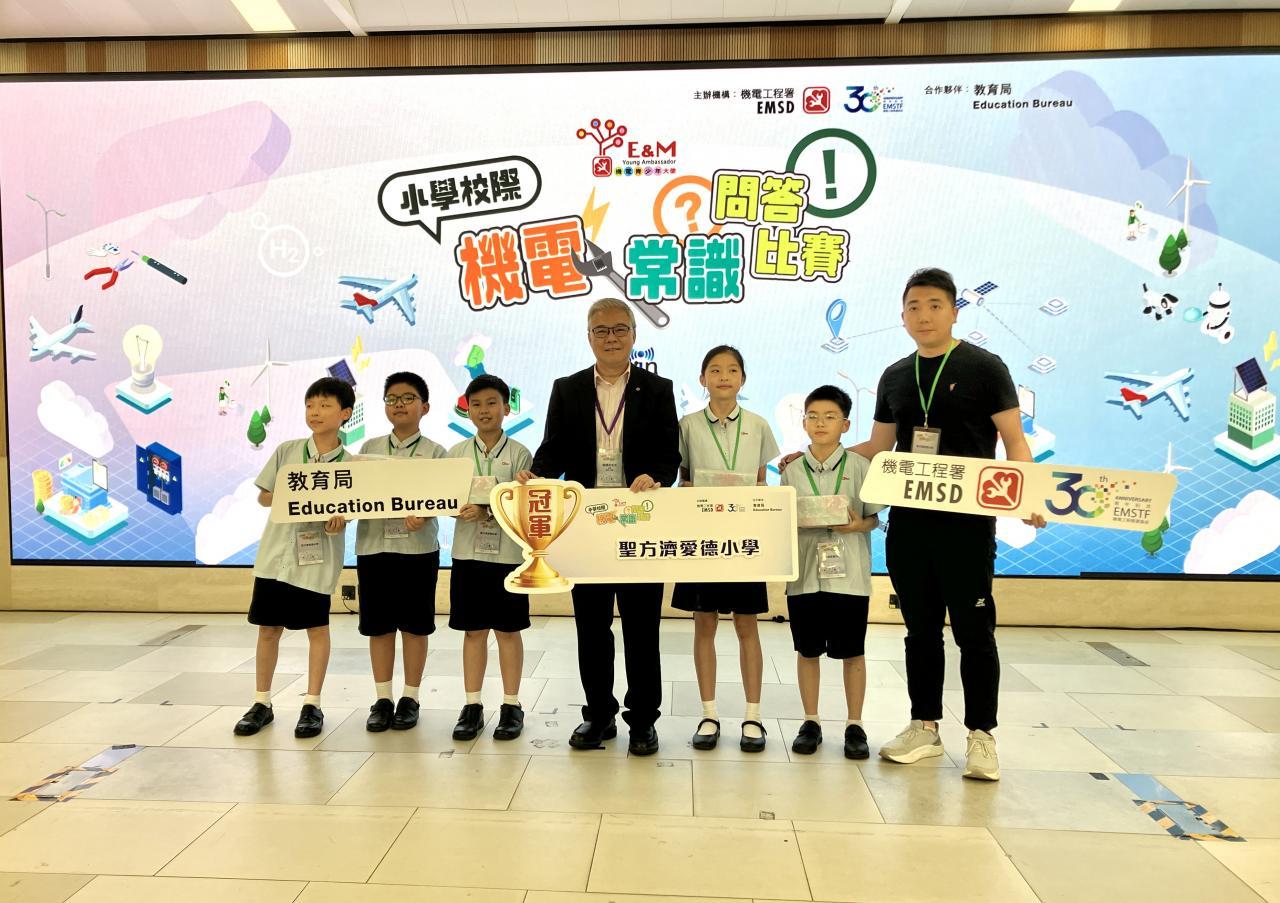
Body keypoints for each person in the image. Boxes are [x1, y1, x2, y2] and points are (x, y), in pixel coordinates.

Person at [516, 297, 680, 756]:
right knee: (591, 626)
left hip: (638, 522)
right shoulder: (567, 388)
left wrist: (656, 476)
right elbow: (553, 449)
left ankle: (643, 720)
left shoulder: (658, 388)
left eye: (620, 329)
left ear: (634, 335)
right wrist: (537, 475)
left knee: (642, 627)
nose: (611, 337)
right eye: (601, 330)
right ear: (589, 337)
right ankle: (599, 715)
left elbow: (669, 456)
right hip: (586, 524)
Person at [673, 345, 779, 752]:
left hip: (743, 540)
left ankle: (753, 716)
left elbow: (760, 482)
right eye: (714, 370)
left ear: (743, 379)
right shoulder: (687, 425)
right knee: (704, 623)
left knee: (747, 625)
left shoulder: (758, 425)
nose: (723, 377)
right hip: (702, 539)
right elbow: (683, 478)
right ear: (702, 379)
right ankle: (709, 713)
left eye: (732, 370)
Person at [234, 377, 352, 739]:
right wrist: (297, 496)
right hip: (276, 557)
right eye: (310, 405)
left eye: (325, 405)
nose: (315, 412)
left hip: (315, 562)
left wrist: (338, 518)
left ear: (345, 413)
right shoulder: (287, 451)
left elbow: (350, 511)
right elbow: (264, 497)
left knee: (317, 629)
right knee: (269, 629)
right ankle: (261, 703)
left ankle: (312, 704)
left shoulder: (351, 464)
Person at [779, 386, 882, 759]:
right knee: (807, 651)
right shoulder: (790, 470)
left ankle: (855, 725)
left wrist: (857, 526)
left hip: (849, 577)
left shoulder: (860, 467)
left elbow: (873, 518)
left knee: (852, 652)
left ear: (846, 425)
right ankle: (811, 722)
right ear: (804, 422)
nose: (820, 423)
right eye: (813, 416)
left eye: (830, 417)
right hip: (804, 575)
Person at [354, 372, 446, 732]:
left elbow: (446, 495)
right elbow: (355, 495)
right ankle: (382, 699)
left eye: (408, 398)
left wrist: (426, 513)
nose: (399, 405)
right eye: (392, 399)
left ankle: (410, 697)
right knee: (378, 627)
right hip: (374, 548)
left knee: (415, 626)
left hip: (417, 550)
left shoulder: (436, 452)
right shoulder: (368, 450)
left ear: (425, 407)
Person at [446, 374, 535, 742]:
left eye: (492, 403)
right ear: (468, 411)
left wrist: (488, 511)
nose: (484, 411)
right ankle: (472, 705)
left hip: (508, 557)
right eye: (477, 404)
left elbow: (525, 505)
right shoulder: (455, 454)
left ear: (506, 408)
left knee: (509, 631)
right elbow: (445, 500)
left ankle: (512, 705)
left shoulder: (520, 454)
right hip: (467, 555)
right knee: (473, 631)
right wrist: (458, 510)